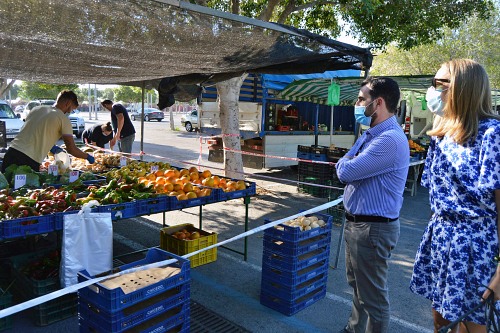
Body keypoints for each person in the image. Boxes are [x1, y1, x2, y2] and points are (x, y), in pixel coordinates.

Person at [410, 59, 500, 332]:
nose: (433, 91)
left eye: (439, 83)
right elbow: (436, 197)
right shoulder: (440, 135)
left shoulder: (493, 135)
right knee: (440, 320)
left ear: (463, 87)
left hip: (477, 246)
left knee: (475, 324)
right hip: (440, 238)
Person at [335, 77, 409, 333]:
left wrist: (345, 161)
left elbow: (345, 171)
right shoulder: (373, 134)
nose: (357, 104)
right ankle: (354, 329)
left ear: (377, 103)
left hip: (372, 230)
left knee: (373, 298)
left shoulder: (388, 139)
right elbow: (347, 165)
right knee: (359, 287)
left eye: (361, 99)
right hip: (361, 226)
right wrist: (347, 161)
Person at [1, 90, 95, 173]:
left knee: (6, 190)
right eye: (72, 109)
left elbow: (33, 132)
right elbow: (71, 149)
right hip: (29, 160)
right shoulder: (63, 119)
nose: (70, 112)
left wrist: (51, 147)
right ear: (67, 103)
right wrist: (87, 157)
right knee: (23, 190)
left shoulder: (36, 109)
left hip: (11, 152)